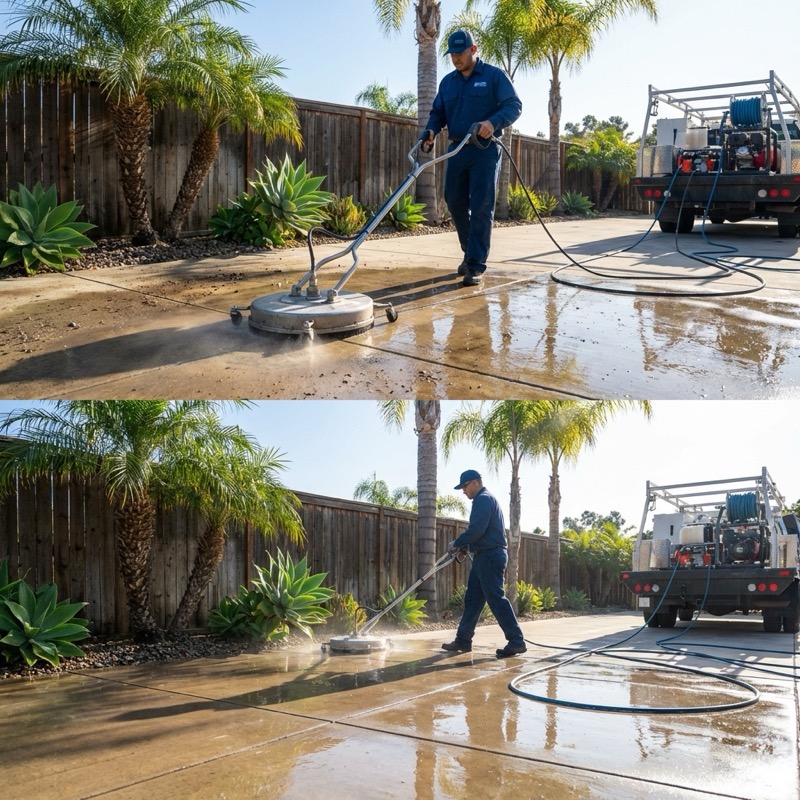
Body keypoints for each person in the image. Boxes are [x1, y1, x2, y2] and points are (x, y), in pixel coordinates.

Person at [421, 30, 522, 287]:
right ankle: (469, 250)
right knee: (453, 199)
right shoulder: (448, 83)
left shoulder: (494, 76)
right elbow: (437, 113)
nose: (456, 58)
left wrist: (493, 122)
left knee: (481, 205)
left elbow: (514, 105)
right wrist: (431, 131)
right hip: (457, 148)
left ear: (473, 50)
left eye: (460, 53)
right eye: (452, 54)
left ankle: (476, 264)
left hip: (485, 149)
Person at [442, 469, 527, 658]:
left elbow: (476, 530)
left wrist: (457, 543)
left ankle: (516, 641)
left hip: (490, 557)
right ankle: (463, 640)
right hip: (483, 557)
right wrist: (466, 548)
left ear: (475, 483)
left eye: (465, 486)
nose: (463, 491)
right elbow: (483, 533)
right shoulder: (485, 500)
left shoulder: (483, 499)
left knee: (496, 599)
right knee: (472, 600)